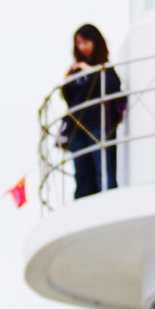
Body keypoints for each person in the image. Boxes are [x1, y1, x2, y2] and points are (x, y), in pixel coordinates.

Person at [60, 24, 126, 198]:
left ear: (95, 41)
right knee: (82, 171)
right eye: (78, 43)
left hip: (98, 125)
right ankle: (82, 202)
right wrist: (69, 79)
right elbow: (69, 98)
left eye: (85, 42)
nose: (82, 47)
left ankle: (108, 198)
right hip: (77, 129)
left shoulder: (104, 68)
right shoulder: (75, 70)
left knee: (103, 168)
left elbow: (112, 87)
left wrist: (91, 71)